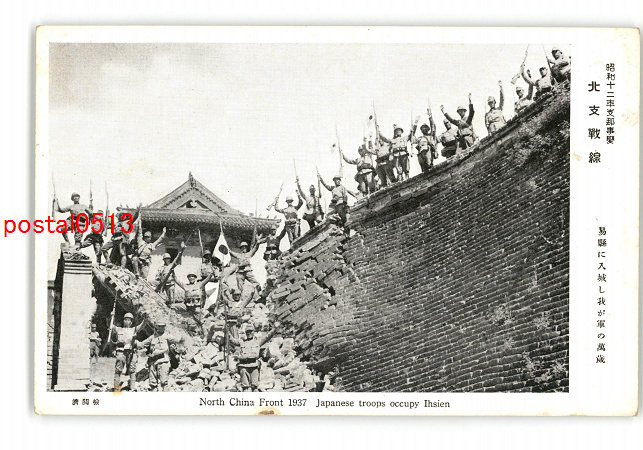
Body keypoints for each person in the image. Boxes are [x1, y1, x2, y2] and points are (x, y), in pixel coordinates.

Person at [229, 322, 279, 392]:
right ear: (245, 333)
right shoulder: (242, 342)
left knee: (255, 387)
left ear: (253, 332)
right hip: (243, 366)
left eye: (250, 331)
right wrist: (227, 331)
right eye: (247, 331)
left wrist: (275, 328)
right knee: (245, 387)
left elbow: (267, 336)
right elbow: (232, 340)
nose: (249, 333)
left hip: (254, 366)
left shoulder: (258, 341)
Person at [137, 321, 179, 392]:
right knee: (152, 383)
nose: (161, 327)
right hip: (153, 362)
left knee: (164, 382)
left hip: (163, 361)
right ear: (156, 326)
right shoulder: (152, 337)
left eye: (162, 326)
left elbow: (177, 341)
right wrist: (134, 342)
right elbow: (142, 344)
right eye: (159, 326)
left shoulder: (168, 336)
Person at [110, 312, 145, 391]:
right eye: (125, 319)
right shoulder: (118, 329)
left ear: (131, 322)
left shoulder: (134, 329)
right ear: (123, 321)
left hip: (131, 352)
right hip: (121, 352)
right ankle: (116, 388)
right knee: (118, 370)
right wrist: (112, 316)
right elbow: (110, 325)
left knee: (132, 370)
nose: (127, 321)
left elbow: (142, 326)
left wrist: (144, 319)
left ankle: (132, 388)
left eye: (129, 320)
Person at [229, 240, 262, 305]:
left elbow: (255, 249)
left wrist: (257, 243)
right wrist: (227, 249)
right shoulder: (238, 255)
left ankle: (259, 297)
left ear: (246, 248)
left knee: (256, 283)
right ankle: (240, 300)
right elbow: (231, 253)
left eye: (245, 247)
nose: (244, 248)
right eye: (242, 247)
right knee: (240, 286)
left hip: (247, 270)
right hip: (240, 272)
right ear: (241, 248)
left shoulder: (249, 253)